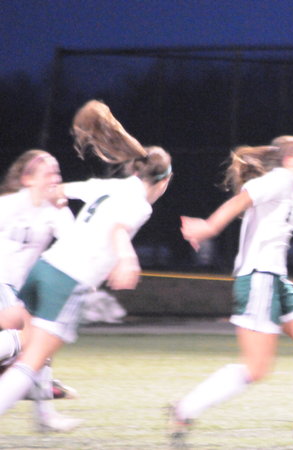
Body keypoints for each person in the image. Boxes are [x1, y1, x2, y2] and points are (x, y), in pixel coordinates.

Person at [0, 100, 173, 425]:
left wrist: (54, 194)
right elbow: (118, 228)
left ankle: (45, 417)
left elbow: (63, 190)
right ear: (164, 181)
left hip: (44, 268)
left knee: (20, 334)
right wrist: (126, 258)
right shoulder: (140, 204)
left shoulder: (112, 186)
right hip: (67, 280)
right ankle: (41, 414)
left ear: (136, 170)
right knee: (32, 358)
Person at [174, 136, 293, 449]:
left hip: (276, 281)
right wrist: (209, 227)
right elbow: (243, 198)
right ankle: (184, 410)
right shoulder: (279, 179)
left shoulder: (290, 190)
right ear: (289, 160)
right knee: (256, 368)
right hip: (259, 280)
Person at [0, 149, 80, 431]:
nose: (55, 179)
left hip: (22, 290)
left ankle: (45, 417)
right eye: (48, 173)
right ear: (28, 178)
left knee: (42, 340)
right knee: (33, 337)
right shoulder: (8, 205)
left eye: (57, 173)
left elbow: (74, 245)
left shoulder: (56, 211)